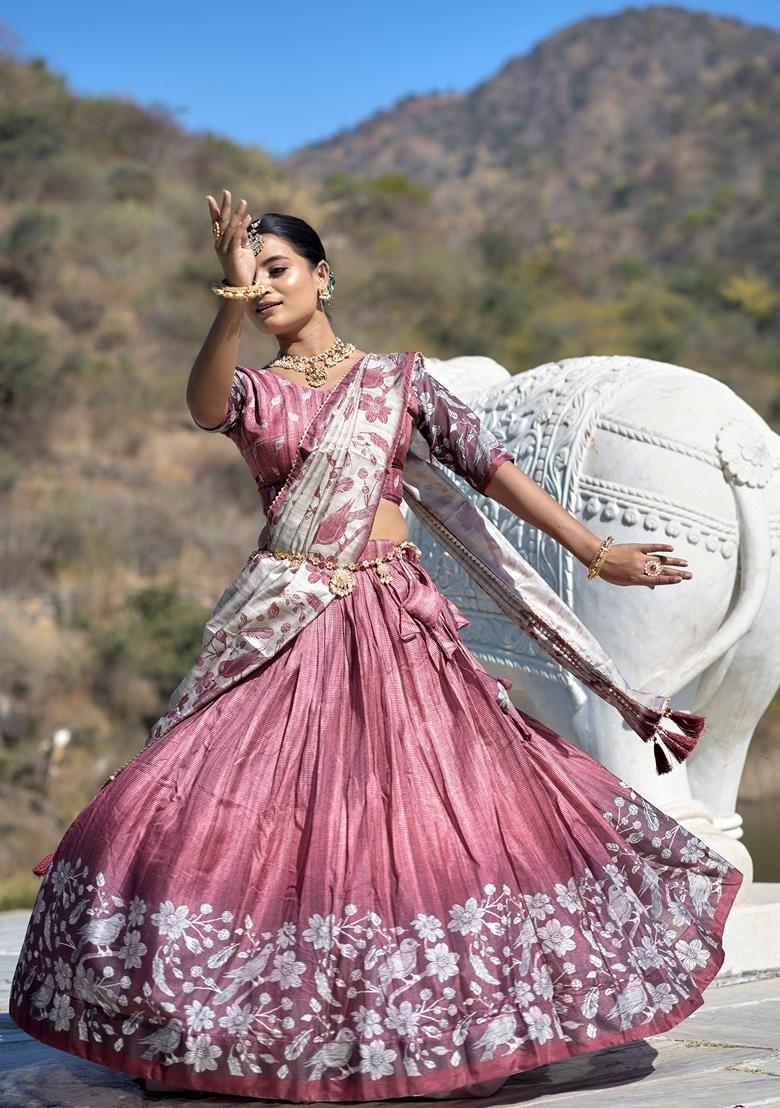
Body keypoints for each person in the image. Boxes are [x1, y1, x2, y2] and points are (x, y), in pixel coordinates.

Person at [9, 190, 743, 1103]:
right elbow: (203, 406)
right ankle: (240, 1018)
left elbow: (487, 465)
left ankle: (445, 1017)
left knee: (432, 820)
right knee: (210, 812)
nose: (262, 287)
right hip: (288, 626)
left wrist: (596, 551)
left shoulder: (397, 380)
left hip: (396, 625)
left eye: (277, 270)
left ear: (324, 276)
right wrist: (223, 312)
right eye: (247, 274)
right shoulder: (256, 389)